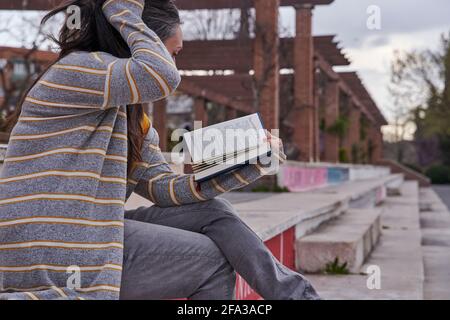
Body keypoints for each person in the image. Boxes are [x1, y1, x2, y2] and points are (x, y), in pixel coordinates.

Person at [0, 0, 320, 300]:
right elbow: (161, 76)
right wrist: (123, 9)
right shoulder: (78, 71)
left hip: (90, 227)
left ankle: (298, 296)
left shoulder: (130, 115)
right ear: (141, 41)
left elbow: (163, 188)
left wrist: (248, 162)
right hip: (53, 241)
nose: (173, 61)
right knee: (212, 262)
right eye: (173, 51)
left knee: (215, 212)